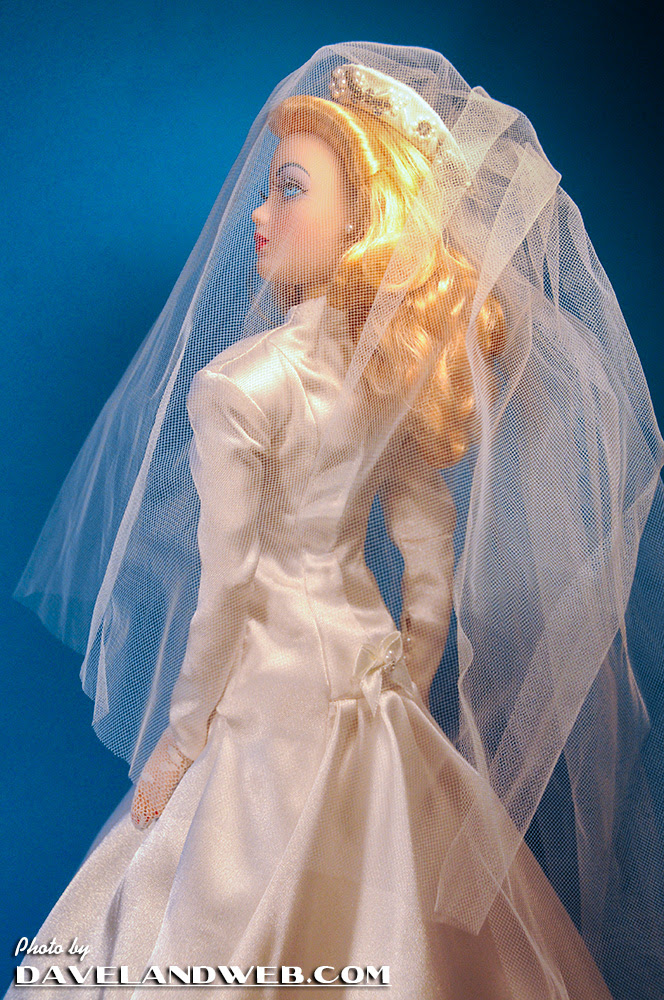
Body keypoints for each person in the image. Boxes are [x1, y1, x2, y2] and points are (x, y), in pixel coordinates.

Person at [6, 43, 664, 999]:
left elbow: (227, 589)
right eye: (267, 191)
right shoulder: (389, 377)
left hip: (265, 707)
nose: (259, 216)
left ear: (362, 219)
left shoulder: (238, 385)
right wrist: (409, 679)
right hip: (369, 689)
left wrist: (182, 741)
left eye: (289, 190)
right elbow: (428, 557)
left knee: (198, 908)